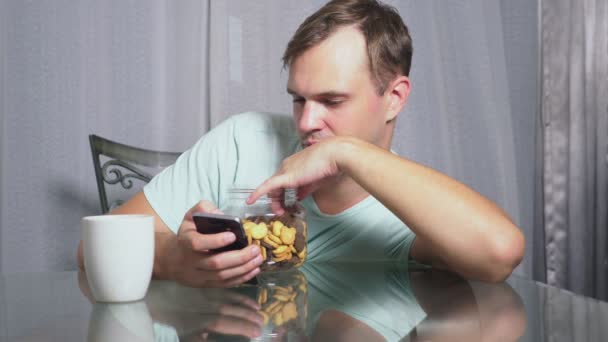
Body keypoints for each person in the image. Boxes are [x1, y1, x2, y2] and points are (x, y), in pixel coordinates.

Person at [77, 0, 525, 288]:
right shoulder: (242, 140)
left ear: (394, 98)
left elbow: (500, 253)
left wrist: (344, 152)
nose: (308, 122)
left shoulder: (410, 208)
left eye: (332, 100)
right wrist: (170, 257)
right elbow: (88, 250)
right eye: (298, 99)